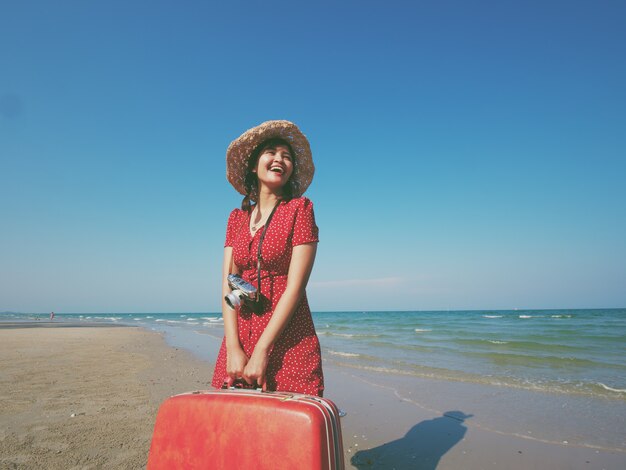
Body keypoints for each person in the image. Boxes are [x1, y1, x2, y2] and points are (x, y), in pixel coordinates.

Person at [211, 120, 323, 396]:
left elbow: (296, 286)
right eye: (271, 152)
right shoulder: (236, 219)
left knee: (292, 420)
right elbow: (228, 283)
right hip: (242, 327)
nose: (280, 159)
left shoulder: (300, 209)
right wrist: (234, 347)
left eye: (287, 157)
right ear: (253, 165)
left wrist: (262, 349)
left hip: (287, 332)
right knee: (239, 422)